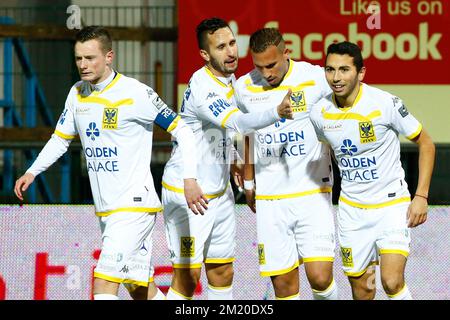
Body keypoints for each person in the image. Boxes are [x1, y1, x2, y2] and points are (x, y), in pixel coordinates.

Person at [14, 26, 206, 300]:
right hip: (107, 209)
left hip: (134, 206)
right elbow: (60, 139)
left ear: (109, 56)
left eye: (90, 58)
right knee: (139, 289)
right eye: (79, 58)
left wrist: (189, 178)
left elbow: (183, 130)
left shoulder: (136, 93)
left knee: (103, 285)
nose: (83, 65)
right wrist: (32, 171)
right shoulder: (77, 93)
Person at [161, 18, 293, 300]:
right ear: (205, 55)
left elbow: (211, 132)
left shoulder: (230, 79)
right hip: (189, 190)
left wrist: (232, 157)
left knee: (222, 271)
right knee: (187, 278)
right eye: (221, 47)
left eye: (232, 43)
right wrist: (277, 112)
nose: (231, 51)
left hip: (219, 192)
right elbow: (238, 124)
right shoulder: (203, 87)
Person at [310, 41, 435, 300]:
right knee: (364, 290)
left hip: (390, 205)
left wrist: (421, 196)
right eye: (330, 70)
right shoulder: (319, 113)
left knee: (391, 281)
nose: (336, 77)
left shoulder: (385, 103)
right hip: (351, 211)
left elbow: (426, 143)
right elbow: (329, 152)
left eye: (344, 70)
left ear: (361, 73)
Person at [234, 28, 338, 300]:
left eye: (271, 65)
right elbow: (247, 132)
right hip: (271, 199)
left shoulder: (315, 77)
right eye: (259, 66)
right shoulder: (244, 87)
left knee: (320, 277)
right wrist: (248, 179)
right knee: (284, 287)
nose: (266, 73)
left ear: (286, 53)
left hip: (312, 193)